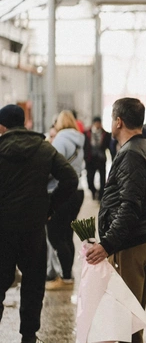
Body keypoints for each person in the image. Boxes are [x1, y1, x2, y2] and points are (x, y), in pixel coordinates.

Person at [85, 98, 146, 343]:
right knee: (130, 313)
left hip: (133, 246)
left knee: (127, 319)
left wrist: (107, 244)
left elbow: (129, 206)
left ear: (118, 121)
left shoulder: (131, 153)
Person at [0, 104, 78, 343]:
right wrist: (50, 207)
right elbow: (70, 178)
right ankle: (29, 339)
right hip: (33, 227)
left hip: (2, 228)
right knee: (33, 282)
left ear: (3, 126)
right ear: (24, 123)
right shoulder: (44, 148)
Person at [45, 111, 86, 291]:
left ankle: (65, 277)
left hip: (61, 190)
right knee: (67, 234)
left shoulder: (61, 139)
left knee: (55, 234)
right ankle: (68, 275)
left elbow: (54, 165)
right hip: (77, 191)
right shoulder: (79, 139)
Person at [84, 116, 111, 200]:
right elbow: (84, 146)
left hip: (101, 159)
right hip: (90, 159)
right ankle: (93, 191)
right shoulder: (87, 133)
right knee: (89, 178)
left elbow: (108, 146)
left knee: (102, 179)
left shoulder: (105, 134)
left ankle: (100, 196)